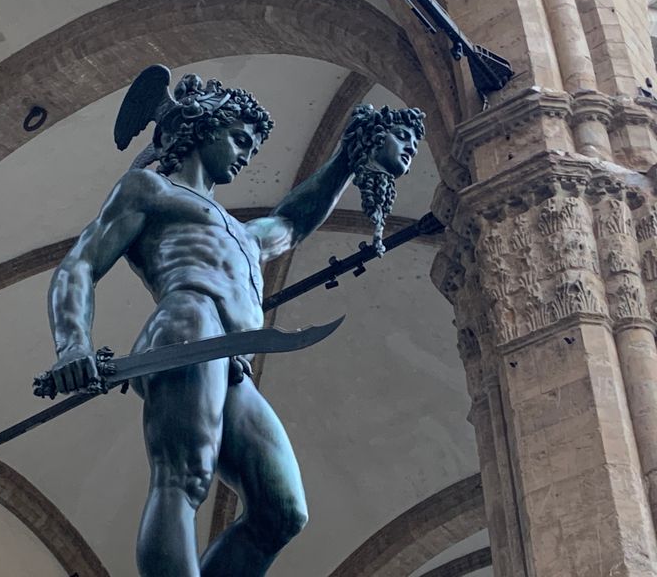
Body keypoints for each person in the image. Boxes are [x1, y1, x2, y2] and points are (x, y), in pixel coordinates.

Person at [43, 69, 424, 577]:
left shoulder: (242, 234)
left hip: (234, 359)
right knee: (184, 477)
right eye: (240, 140)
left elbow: (291, 222)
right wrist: (73, 345)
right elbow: (81, 265)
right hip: (186, 326)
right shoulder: (149, 190)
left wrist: (346, 159)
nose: (247, 155)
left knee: (283, 511)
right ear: (205, 130)